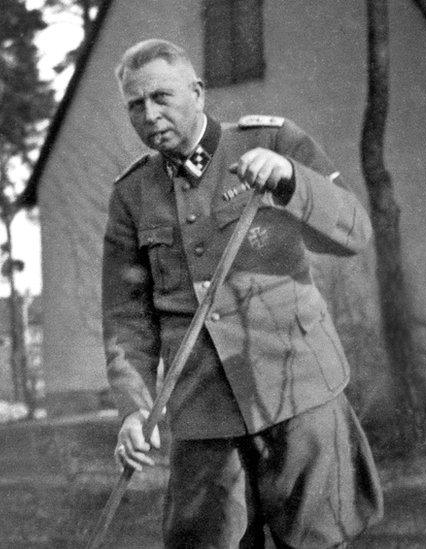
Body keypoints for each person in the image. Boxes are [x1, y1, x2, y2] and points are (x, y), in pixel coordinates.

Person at [101, 39, 384, 548]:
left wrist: (292, 181)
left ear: (198, 93)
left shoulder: (274, 142)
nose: (149, 115)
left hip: (299, 391)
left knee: (320, 541)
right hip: (203, 412)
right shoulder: (132, 195)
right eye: (135, 105)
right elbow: (127, 318)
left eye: (162, 97)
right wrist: (133, 410)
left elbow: (355, 233)